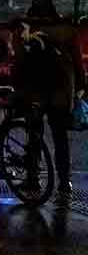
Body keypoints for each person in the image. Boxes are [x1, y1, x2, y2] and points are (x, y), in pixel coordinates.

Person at [11, 20, 82, 194]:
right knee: (60, 137)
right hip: (60, 93)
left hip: (36, 94)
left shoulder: (28, 32)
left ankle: (32, 178)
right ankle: (64, 181)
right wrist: (79, 89)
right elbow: (77, 64)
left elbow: (20, 66)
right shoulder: (67, 31)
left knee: (34, 135)